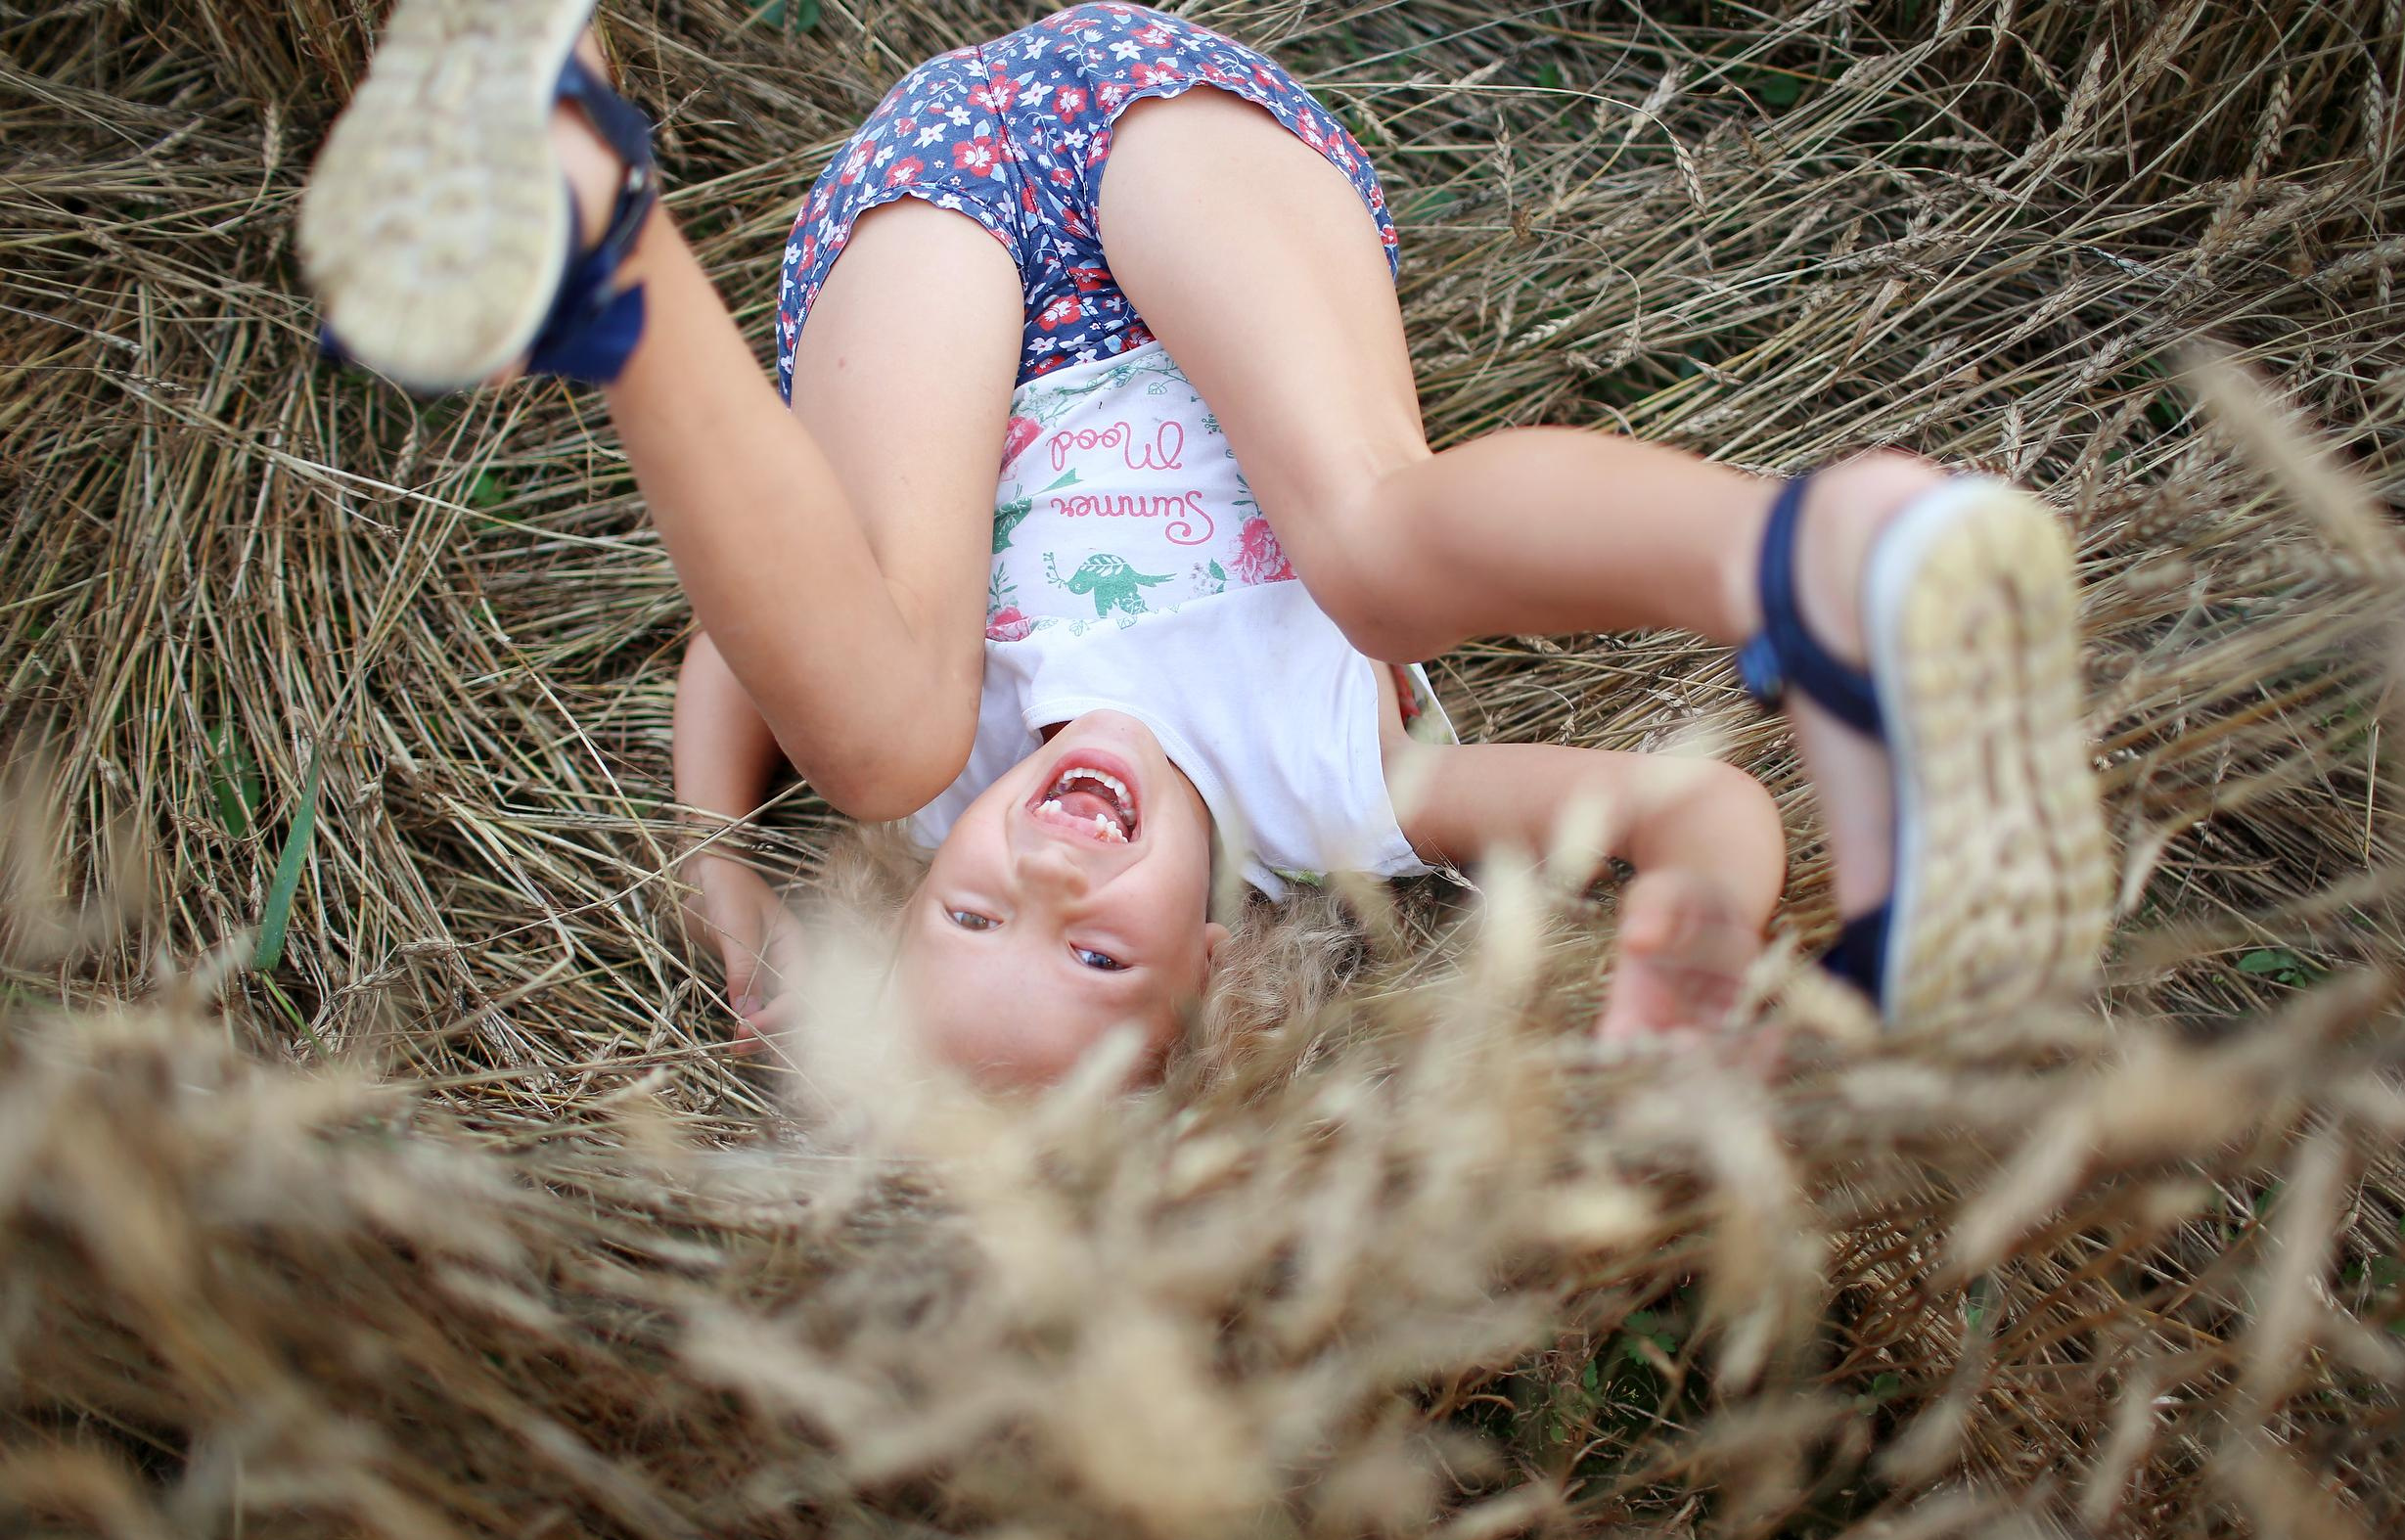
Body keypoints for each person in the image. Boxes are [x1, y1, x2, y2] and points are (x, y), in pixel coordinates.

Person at [298, 0, 2110, 1083]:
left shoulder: (944, 773)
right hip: (1189, 193)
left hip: (958, 217)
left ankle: (588, 209)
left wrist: (721, 865)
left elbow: (748, 639)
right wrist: (1709, 921)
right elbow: (1682, 810)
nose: (1052, 878)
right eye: (1094, 955)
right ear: (1221, 969)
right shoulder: (1338, 794)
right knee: (1371, 549)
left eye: (975, 909)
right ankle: (1812, 565)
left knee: (875, 719)